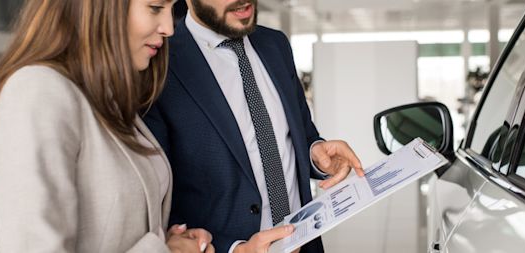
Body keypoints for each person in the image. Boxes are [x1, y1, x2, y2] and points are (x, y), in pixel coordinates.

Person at [0, 0, 213, 252]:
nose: (169, 28)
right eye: (155, 7)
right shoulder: (37, 92)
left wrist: (170, 242)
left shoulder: (104, 100)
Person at [143, 0, 365, 252]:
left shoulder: (276, 44)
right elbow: (154, 200)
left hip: (305, 243)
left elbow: (300, 132)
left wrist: (316, 153)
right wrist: (233, 248)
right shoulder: (158, 63)